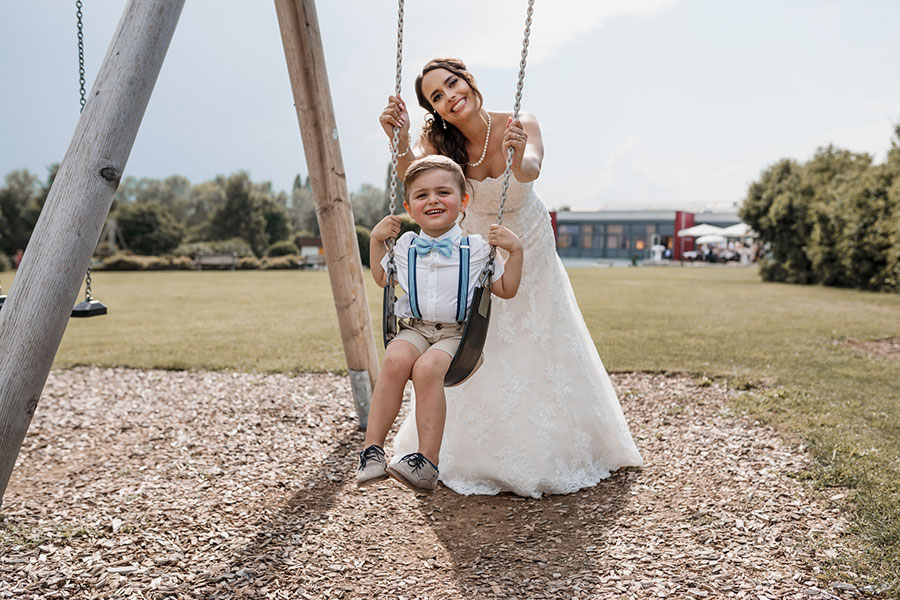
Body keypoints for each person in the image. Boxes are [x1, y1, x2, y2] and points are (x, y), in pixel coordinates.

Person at [378, 57, 643, 498]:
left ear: (468, 81)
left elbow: (531, 169)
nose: (450, 97)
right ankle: (465, 450)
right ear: (435, 110)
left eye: (452, 84)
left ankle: (551, 447)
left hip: (528, 242)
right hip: (475, 251)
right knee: (478, 338)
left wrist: (519, 157)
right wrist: (401, 140)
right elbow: (417, 178)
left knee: (540, 334)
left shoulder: (519, 122)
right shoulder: (436, 140)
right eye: (437, 97)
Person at [357, 154, 523, 493]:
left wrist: (515, 252)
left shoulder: (477, 248)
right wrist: (376, 242)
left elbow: (505, 290)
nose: (432, 200)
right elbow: (381, 278)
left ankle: (426, 463)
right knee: (394, 360)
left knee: (427, 368)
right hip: (414, 327)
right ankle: (372, 451)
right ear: (409, 206)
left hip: (457, 335)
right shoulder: (404, 245)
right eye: (421, 195)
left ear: (462, 201)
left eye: (443, 192)